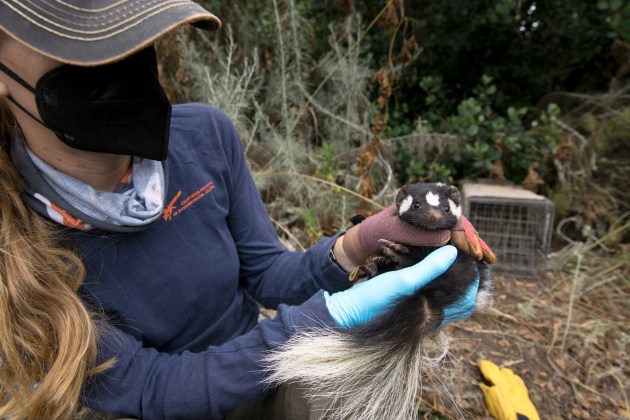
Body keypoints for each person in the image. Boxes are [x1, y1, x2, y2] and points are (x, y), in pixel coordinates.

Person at [0, 1, 483, 419]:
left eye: (138, 35)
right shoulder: (14, 240)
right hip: (142, 404)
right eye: (89, 49)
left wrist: (359, 244)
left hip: (247, 368)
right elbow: (149, 387)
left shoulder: (203, 137)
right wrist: (326, 320)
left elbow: (269, 274)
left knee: (341, 393)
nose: (125, 63)